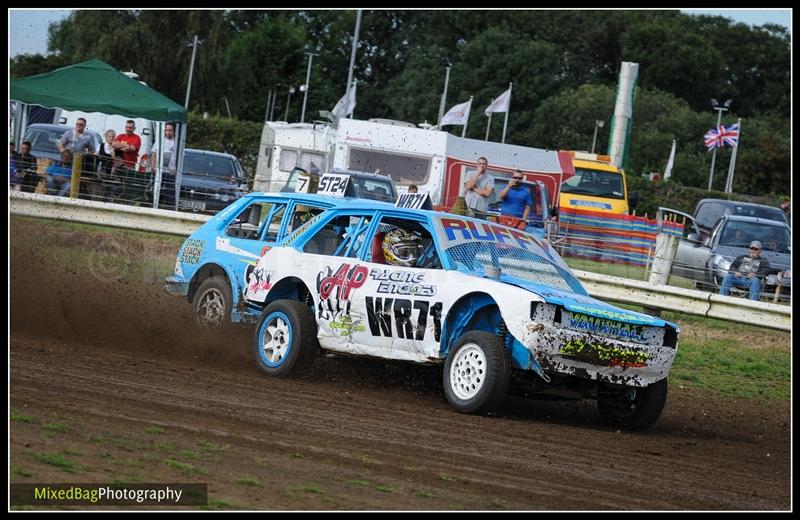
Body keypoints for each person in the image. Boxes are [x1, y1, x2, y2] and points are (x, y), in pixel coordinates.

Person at [112, 120, 143, 202]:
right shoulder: (120, 136)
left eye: (131, 127)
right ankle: (114, 201)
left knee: (126, 186)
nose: (128, 129)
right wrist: (127, 146)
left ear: (134, 128)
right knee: (116, 184)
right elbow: (114, 144)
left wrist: (120, 146)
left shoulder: (137, 138)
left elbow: (132, 149)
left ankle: (124, 202)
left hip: (129, 166)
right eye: (127, 127)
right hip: (118, 165)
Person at [150, 122, 177, 207]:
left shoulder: (177, 142)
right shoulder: (160, 140)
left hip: (171, 172)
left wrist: (176, 169)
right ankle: (154, 206)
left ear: (173, 131)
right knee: (156, 189)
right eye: (167, 130)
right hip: (159, 170)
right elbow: (154, 153)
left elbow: (180, 157)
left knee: (170, 192)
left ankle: (169, 208)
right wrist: (153, 166)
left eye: (170, 130)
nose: (168, 132)